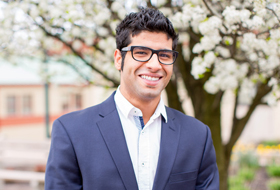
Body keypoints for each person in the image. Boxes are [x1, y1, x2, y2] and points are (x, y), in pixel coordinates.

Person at [45, 7, 219, 190]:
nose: (154, 65)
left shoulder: (198, 135)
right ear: (119, 59)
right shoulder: (71, 132)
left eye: (164, 55)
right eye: (141, 52)